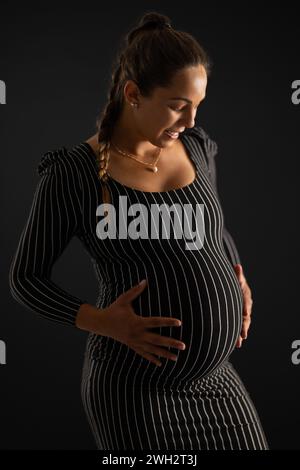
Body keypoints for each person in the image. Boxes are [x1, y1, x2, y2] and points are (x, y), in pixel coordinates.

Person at [9, 11, 269, 450]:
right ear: (133, 94)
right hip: (135, 392)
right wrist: (102, 322)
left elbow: (214, 226)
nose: (189, 120)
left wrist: (236, 276)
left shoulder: (196, 147)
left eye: (197, 106)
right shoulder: (74, 173)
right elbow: (26, 279)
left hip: (217, 382)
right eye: (177, 105)